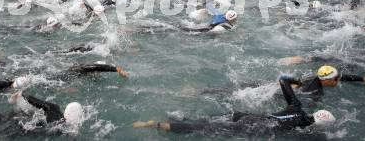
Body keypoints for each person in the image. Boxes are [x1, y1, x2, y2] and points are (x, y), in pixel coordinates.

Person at [133, 76, 335, 137]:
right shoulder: (304, 130)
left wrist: (298, 83)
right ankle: (155, 125)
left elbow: (283, 80)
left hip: (242, 115)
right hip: (249, 126)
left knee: (204, 123)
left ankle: (175, 117)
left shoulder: (297, 107)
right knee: (201, 129)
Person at [275, 64, 365, 96]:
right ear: (326, 81)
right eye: (336, 78)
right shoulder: (316, 91)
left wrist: (362, 79)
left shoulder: (316, 76)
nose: (338, 79)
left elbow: (342, 77)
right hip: (282, 94)